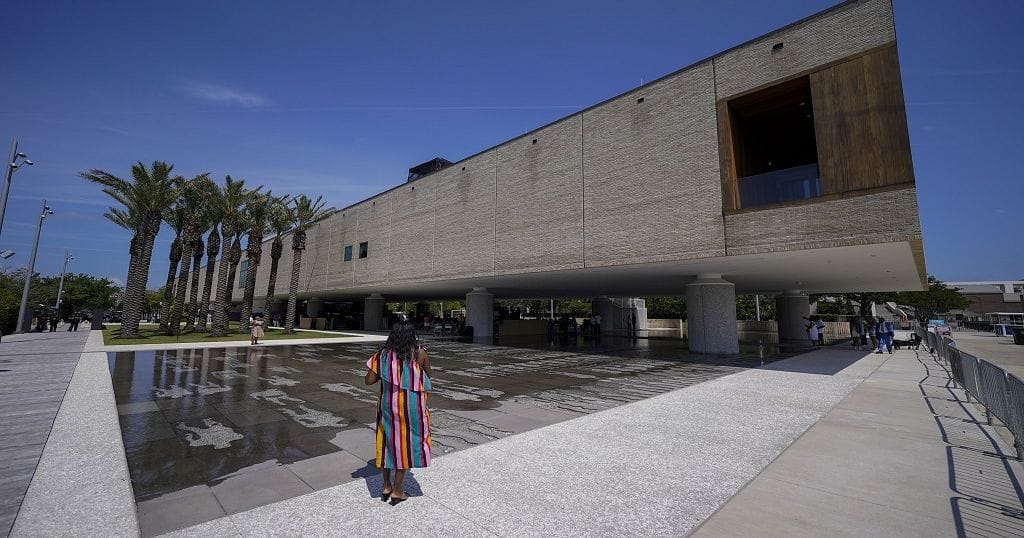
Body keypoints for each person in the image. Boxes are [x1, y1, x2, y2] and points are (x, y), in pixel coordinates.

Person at [364, 321, 432, 505]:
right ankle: (397, 490)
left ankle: (386, 486)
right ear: (412, 336)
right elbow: (427, 375)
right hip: (413, 406)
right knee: (407, 444)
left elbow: (368, 381)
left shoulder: (382, 357)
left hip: (388, 405)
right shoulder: (419, 353)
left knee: (387, 441)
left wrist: (385, 373)